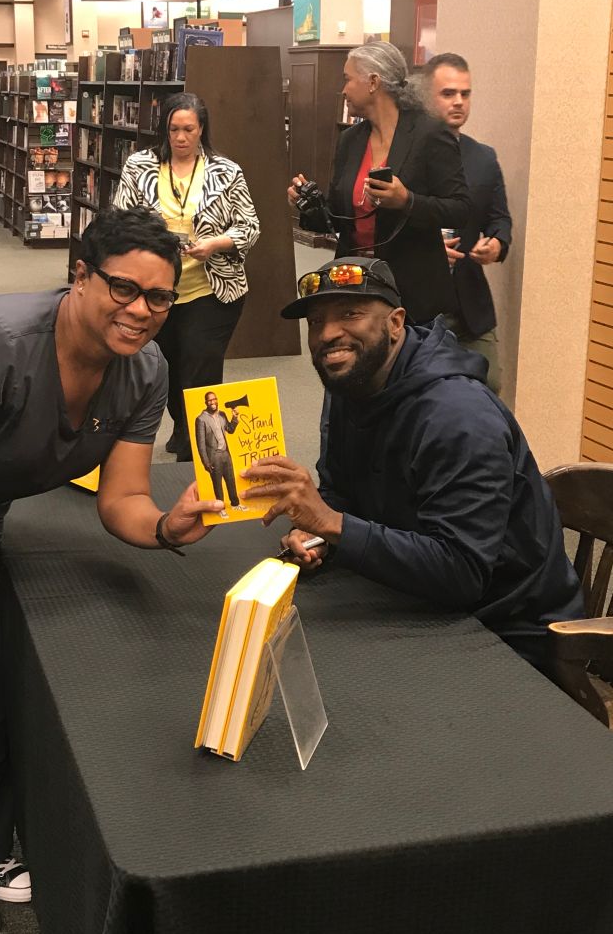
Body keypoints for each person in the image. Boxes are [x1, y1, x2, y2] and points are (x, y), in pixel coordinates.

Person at [0, 206, 223, 934]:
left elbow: (121, 498)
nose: (142, 310)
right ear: (79, 276)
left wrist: (163, 527)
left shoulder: (144, 371)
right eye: (124, 288)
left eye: (160, 296)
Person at [240, 257, 583, 670]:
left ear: (396, 322)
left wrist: (331, 524)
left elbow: (463, 574)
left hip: (508, 631)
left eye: (351, 313)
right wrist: (314, 535)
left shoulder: (459, 418)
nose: (328, 334)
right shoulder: (351, 383)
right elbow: (342, 491)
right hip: (414, 598)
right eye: (316, 321)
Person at [114, 92, 260, 461]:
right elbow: (120, 218)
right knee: (167, 368)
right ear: (164, 129)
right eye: (174, 129)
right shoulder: (139, 165)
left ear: (201, 130)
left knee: (200, 370)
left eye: (188, 130)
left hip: (211, 289)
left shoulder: (226, 171)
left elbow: (250, 227)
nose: (180, 138)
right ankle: (183, 426)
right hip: (155, 291)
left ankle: (199, 457)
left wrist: (215, 244)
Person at [287, 41, 471, 325]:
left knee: (407, 368)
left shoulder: (429, 135)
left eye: (348, 79)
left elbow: (460, 208)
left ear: (373, 82)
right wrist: (309, 205)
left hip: (411, 290)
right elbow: (338, 219)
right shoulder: (351, 140)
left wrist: (407, 200)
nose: (344, 89)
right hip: (355, 283)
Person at [421, 52, 512, 395]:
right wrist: (427, 251)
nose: (458, 101)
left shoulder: (483, 157)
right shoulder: (407, 155)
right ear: (426, 97)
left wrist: (497, 244)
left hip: (471, 303)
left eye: (465, 93)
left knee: (490, 388)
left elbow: (499, 218)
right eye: (448, 94)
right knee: (428, 397)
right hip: (419, 305)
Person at [194, 391, 247, 518]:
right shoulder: (201, 419)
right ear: (206, 402)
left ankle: (235, 504)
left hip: (225, 454)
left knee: (230, 480)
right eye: (210, 400)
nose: (213, 402)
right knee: (217, 483)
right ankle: (221, 508)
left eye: (215, 399)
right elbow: (200, 444)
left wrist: (234, 417)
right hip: (214, 456)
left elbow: (230, 430)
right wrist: (206, 462)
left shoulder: (222, 414)